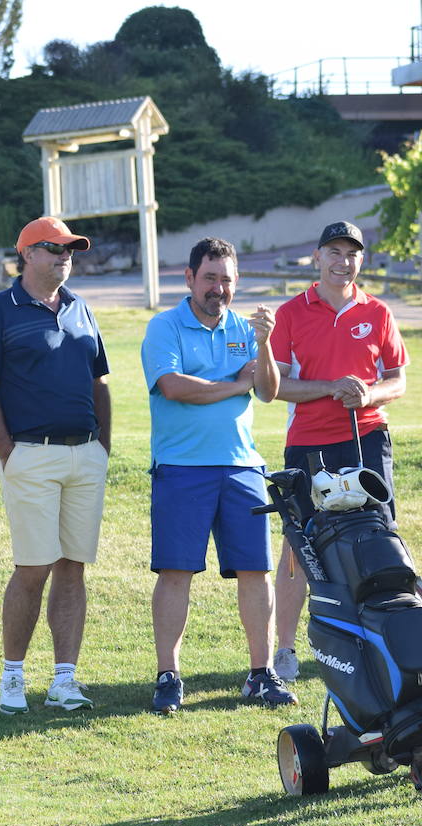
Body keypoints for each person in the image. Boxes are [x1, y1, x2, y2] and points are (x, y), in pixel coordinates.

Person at [141, 237, 294, 713]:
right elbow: (174, 387)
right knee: (175, 572)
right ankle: (168, 676)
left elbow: (268, 391)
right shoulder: (165, 327)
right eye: (209, 278)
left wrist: (265, 345)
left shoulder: (246, 330)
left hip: (243, 466)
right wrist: (234, 383)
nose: (218, 288)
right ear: (189, 279)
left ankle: (260, 674)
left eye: (226, 279)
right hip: (182, 469)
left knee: (256, 572)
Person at [0, 216, 111, 715]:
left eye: (70, 249)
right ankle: (13, 676)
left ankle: (64, 680)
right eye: (53, 248)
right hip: (30, 453)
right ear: (26, 254)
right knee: (34, 567)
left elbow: (100, 383)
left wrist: (103, 448)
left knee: (73, 567)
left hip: (85, 454)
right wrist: (9, 452)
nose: (64, 256)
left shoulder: (80, 308)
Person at [269, 220, 409, 682]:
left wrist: (369, 394)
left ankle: (380, 639)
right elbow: (277, 386)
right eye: (333, 251)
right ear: (317, 257)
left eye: (351, 253)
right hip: (310, 443)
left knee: (376, 540)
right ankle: (284, 653)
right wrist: (330, 388)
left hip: (366, 437)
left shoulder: (379, 311)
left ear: (360, 260)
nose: (342, 261)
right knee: (300, 548)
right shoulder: (291, 313)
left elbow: (398, 379)